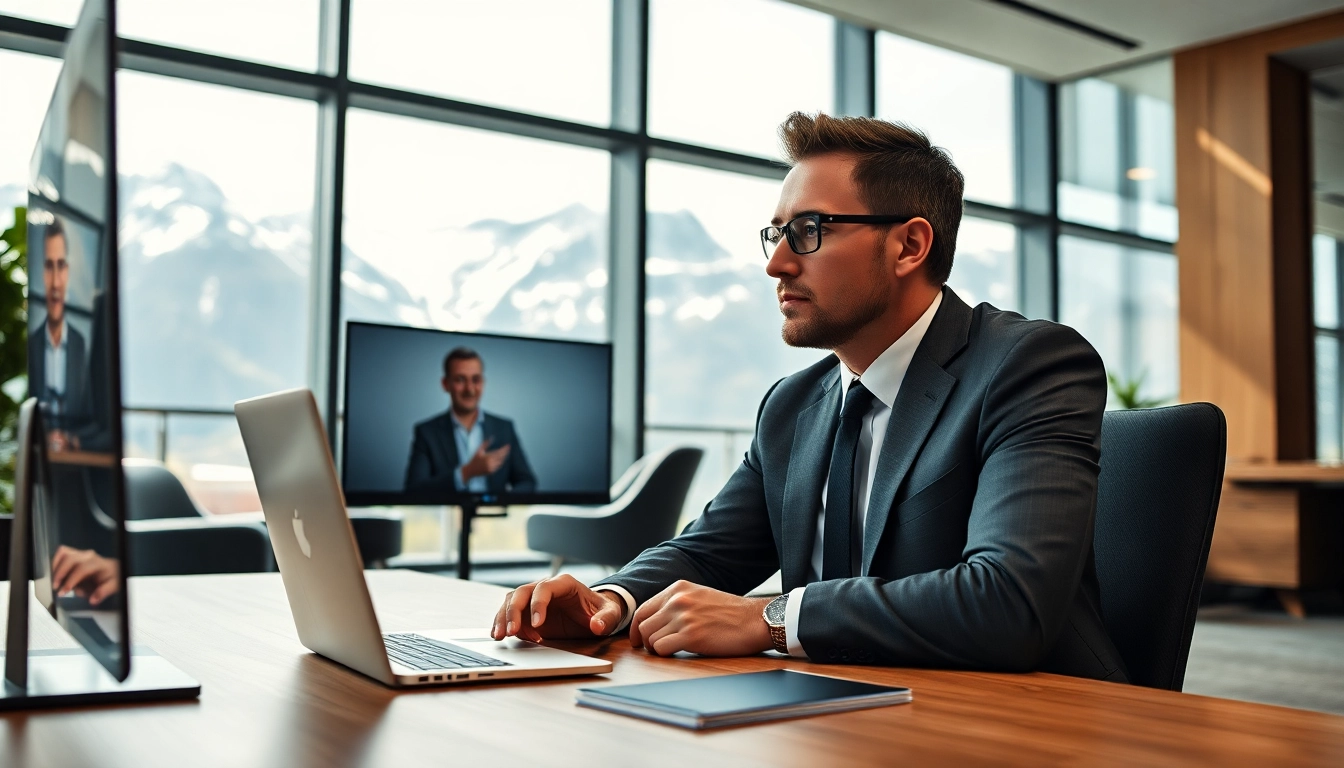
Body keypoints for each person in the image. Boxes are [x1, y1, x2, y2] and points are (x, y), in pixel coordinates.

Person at [490, 112, 1128, 682]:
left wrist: (768, 619)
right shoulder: (793, 404)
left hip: (1029, 721)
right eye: (776, 235)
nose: (777, 264)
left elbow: (1008, 603)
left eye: (811, 230)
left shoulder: (1028, 365)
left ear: (909, 245)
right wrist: (610, 603)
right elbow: (709, 549)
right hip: (840, 713)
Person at [404, 347, 537, 494]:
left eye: (476, 380)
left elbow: (527, 482)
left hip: (494, 515)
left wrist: (502, 503)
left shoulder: (504, 428)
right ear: (445, 384)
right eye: (460, 380)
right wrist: (466, 472)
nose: (470, 389)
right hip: (448, 516)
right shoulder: (427, 432)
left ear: (483, 383)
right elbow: (413, 491)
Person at [27, 217, 86, 453]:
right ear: (41, 273)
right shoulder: (31, 345)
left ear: (68, 273)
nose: (55, 283)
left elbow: (89, 419)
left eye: (60, 265)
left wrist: (71, 441)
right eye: (49, 266)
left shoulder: (79, 346)